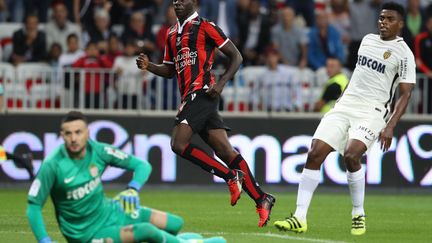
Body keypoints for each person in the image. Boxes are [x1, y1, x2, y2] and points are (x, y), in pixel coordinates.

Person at [274, 2, 416, 235]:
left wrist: (390, 126)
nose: (383, 22)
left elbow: (406, 93)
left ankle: (358, 213)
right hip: (345, 105)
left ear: (400, 24)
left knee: (351, 155)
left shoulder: (404, 54)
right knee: (314, 153)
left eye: (389, 19)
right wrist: (342, 99)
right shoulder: (367, 41)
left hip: (372, 111)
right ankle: (299, 217)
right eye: (381, 18)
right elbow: (360, 75)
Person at [136, 0, 275, 227]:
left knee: (178, 144)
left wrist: (220, 84)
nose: (177, 3)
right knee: (225, 151)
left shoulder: (205, 26)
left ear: (195, 2)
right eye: (175, 0)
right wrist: (149, 66)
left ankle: (230, 176)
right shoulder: (172, 33)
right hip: (191, 97)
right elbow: (170, 69)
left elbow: (236, 56)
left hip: (202, 93)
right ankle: (262, 198)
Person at [26, 111, 226, 243]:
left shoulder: (98, 150)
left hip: (112, 211)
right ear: (61, 135)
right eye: (68, 133)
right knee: (147, 231)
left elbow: (141, 165)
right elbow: (33, 206)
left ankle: (185, 241)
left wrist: (133, 188)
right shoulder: (52, 165)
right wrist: (44, 240)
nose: (74, 138)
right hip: (87, 235)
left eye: (78, 132)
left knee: (175, 223)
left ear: (87, 133)